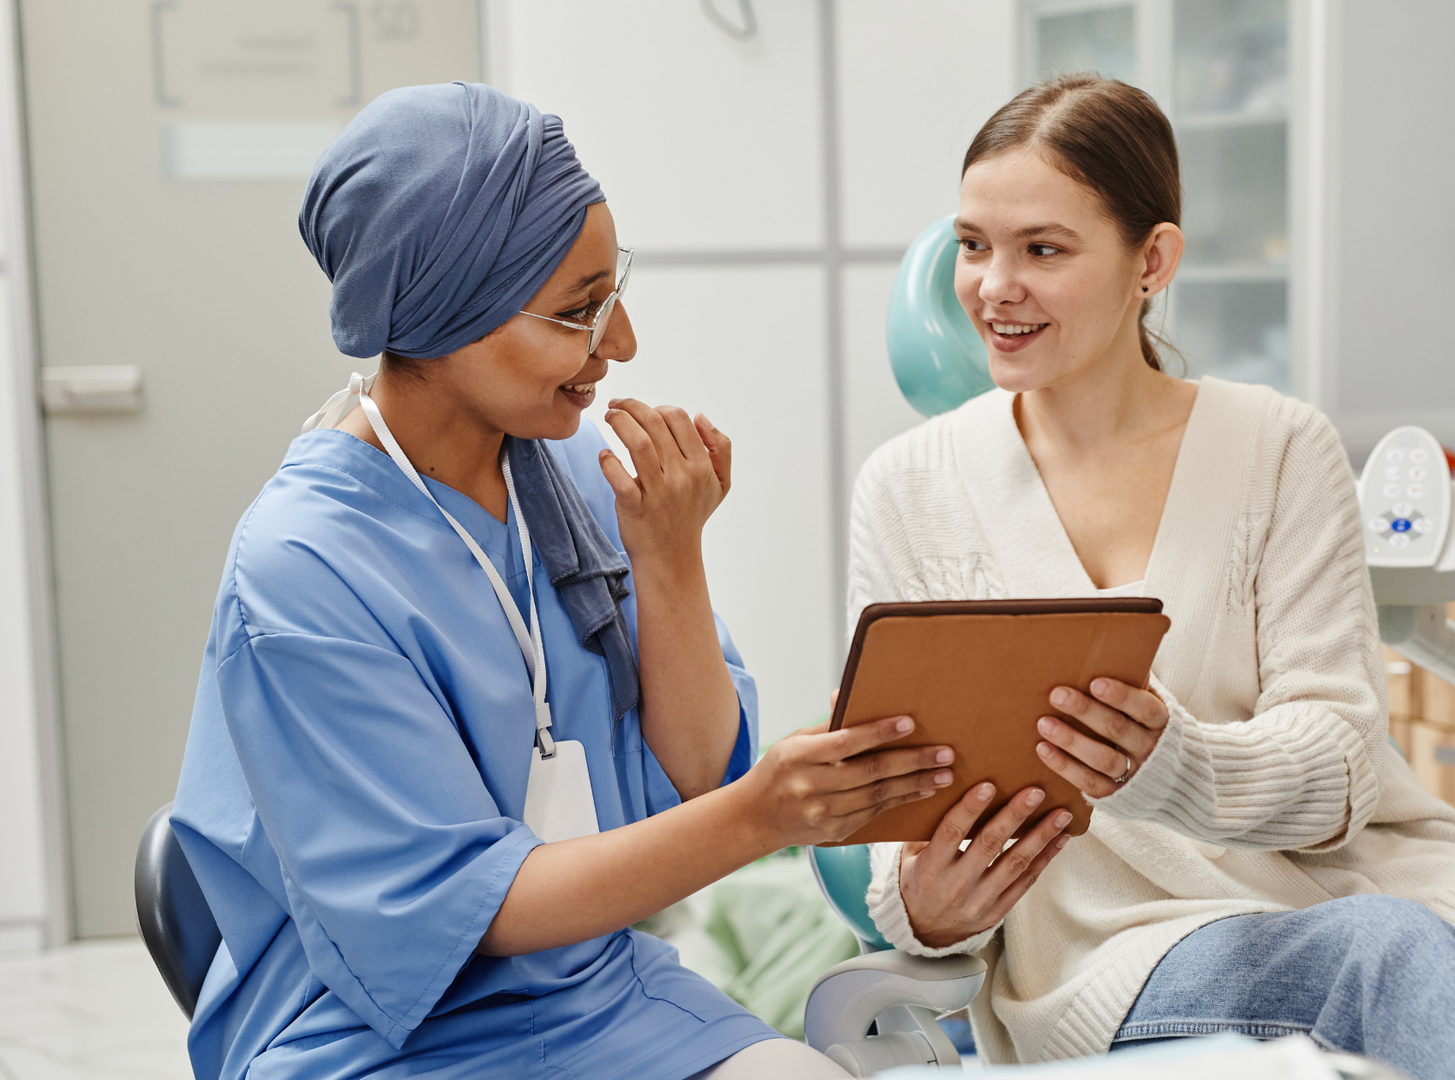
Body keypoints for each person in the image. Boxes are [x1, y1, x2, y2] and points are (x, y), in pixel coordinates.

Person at [847, 74, 1455, 1080]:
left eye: (1041, 249)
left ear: (1153, 261)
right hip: (1125, 946)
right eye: (972, 245)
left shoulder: (1277, 446)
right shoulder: (910, 488)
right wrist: (920, 910)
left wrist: (1175, 765)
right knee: (1388, 962)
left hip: (1404, 883)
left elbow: (1342, 762)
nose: (993, 285)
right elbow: (887, 820)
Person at [169, 82, 951, 1080]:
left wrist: (673, 554)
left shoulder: (579, 475)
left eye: (613, 294)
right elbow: (470, 910)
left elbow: (699, 775)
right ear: (449, 311)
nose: (620, 346)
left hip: (595, 990)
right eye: (581, 312)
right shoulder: (303, 569)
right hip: (375, 1036)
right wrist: (766, 814)